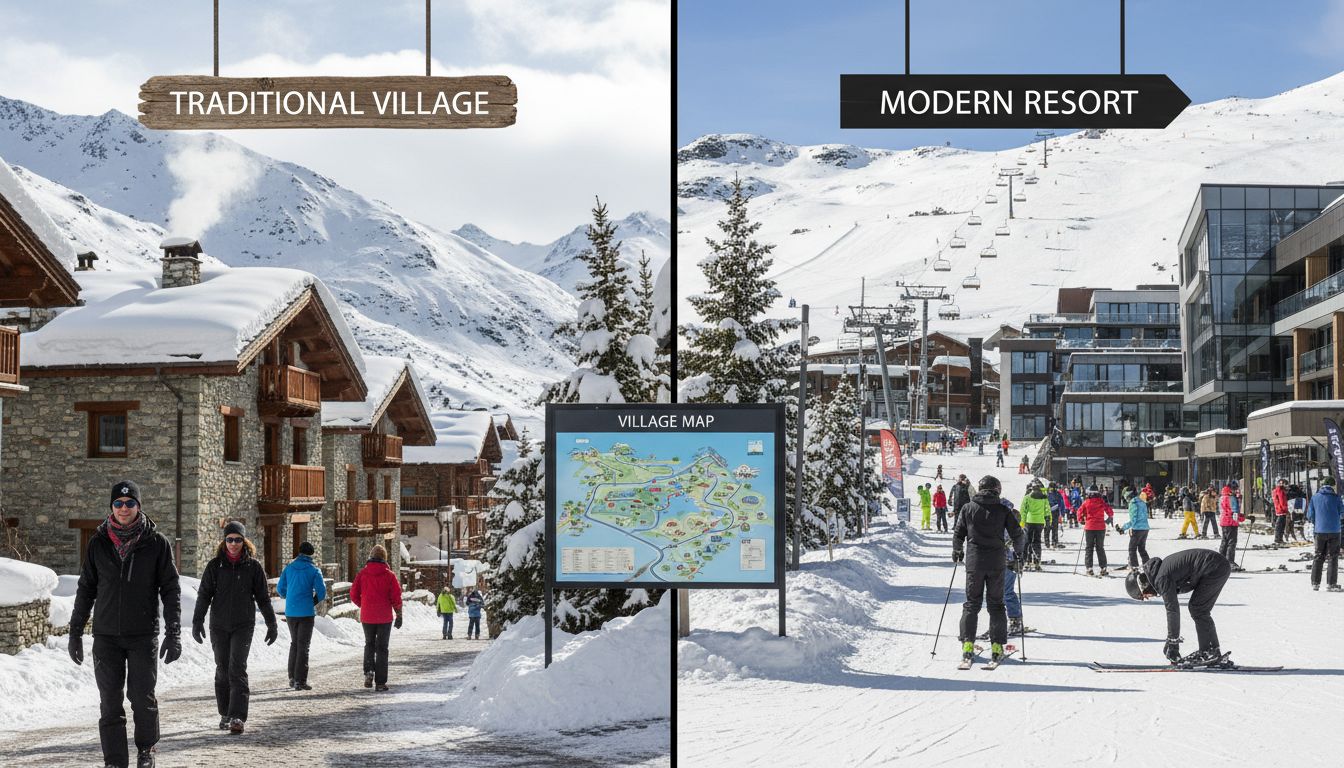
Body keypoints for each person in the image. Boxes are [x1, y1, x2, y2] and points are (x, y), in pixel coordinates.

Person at [68, 480, 181, 768]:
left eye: (130, 503)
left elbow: (170, 589)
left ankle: (146, 750)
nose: (124, 508)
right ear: (112, 507)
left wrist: (173, 633)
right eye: (118, 503)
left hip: (143, 634)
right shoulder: (98, 543)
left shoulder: (156, 543)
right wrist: (76, 632)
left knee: (141, 698)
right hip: (106, 636)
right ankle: (115, 761)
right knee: (109, 702)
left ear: (139, 506)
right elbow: (85, 589)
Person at [193, 522, 278, 735]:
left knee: (237, 668)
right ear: (224, 541)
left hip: (243, 625)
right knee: (222, 668)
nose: (233, 544)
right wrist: (197, 621)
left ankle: (238, 716)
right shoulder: (215, 566)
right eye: (229, 539)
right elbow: (204, 595)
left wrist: (271, 623)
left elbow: (263, 598)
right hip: (219, 625)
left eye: (237, 539)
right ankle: (225, 713)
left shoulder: (253, 567)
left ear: (244, 541)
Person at [953, 476, 1025, 665]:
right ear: (997, 490)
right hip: (996, 563)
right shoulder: (1003, 509)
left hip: (974, 563)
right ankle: (996, 648)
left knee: (971, 604)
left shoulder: (968, 508)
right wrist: (1018, 554)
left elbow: (958, 532)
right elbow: (1018, 534)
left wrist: (957, 550)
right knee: (996, 605)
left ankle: (967, 646)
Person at [1125, 548, 1233, 666]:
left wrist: (1173, 643)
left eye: (1143, 596)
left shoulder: (1161, 578)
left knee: (1198, 609)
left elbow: (1173, 610)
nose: (1147, 597)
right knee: (1199, 609)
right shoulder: (1160, 573)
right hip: (1216, 565)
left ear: (1143, 586)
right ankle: (1211, 650)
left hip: (1214, 567)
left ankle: (1209, 651)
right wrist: (1172, 641)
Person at [351, 544, 404, 691]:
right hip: (384, 617)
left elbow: (353, 594)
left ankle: (368, 671)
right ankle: (380, 682)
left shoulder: (362, 574)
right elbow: (396, 597)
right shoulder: (390, 575)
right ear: (384, 558)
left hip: (367, 616)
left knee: (369, 644)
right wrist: (399, 614)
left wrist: (364, 605)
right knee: (382, 648)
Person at [276, 540, 327, 691]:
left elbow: (280, 588)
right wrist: (312, 602)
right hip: (305, 612)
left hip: (291, 611)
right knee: (303, 646)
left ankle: (292, 677)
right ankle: (300, 680)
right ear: (311, 555)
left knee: (294, 644)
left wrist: (289, 597)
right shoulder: (314, 570)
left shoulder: (289, 568)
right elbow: (322, 592)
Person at [1307, 476, 1342, 591]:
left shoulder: (1315, 497)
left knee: (1318, 556)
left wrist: (1317, 522)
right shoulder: (1336, 498)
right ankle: (1331, 584)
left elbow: (1310, 515)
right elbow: (1342, 513)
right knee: (1333, 557)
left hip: (1319, 531)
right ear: (1332, 486)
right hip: (1334, 530)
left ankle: (1315, 583)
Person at [1077, 485, 1114, 576]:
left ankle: (1089, 568)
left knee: (1089, 548)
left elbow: (1079, 512)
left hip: (1089, 527)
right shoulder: (1101, 502)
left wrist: (1081, 519)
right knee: (1100, 547)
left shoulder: (1086, 502)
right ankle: (1103, 568)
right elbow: (1110, 511)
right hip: (1100, 528)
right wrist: (1109, 518)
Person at [1116, 488, 1151, 570]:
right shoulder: (1142, 502)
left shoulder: (1133, 503)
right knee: (1142, 548)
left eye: (1126, 499)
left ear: (1128, 497)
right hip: (1145, 528)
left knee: (1132, 548)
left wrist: (1123, 528)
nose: (1127, 501)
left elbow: (1133, 520)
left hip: (1137, 529)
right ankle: (1148, 566)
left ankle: (1134, 567)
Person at [1019, 480, 1049, 570]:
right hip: (1040, 522)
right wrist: (1048, 520)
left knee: (1027, 542)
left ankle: (1026, 561)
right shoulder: (1044, 498)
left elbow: (1023, 511)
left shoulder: (1027, 498)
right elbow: (1047, 510)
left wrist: (1022, 523)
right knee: (1037, 541)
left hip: (1029, 521)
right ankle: (1037, 561)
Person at [1218, 480, 1245, 568]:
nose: (1236, 491)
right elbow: (1234, 512)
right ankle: (1230, 561)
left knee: (1225, 541)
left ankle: (1221, 560)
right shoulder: (1231, 497)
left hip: (1224, 521)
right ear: (1232, 489)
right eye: (1235, 489)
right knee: (1231, 542)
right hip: (1230, 522)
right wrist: (1242, 518)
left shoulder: (1223, 496)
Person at [1045, 481, 1068, 549]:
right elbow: (1061, 504)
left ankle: (1047, 542)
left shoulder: (1046, 494)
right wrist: (1063, 513)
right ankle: (1054, 542)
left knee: (1047, 528)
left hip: (1047, 513)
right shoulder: (1057, 494)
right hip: (1055, 512)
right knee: (1054, 528)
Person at [1272, 478, 1291, 545]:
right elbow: (1282, 501)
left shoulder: (1276, 490)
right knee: (1281, 525)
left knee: (1279, 525)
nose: (1286, 486)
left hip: (1279, 509)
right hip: (1281, 510)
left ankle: (1278, 538)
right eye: (1285, 484)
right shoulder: (1280, 491)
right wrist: (1286, 510)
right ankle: (1278, 539)